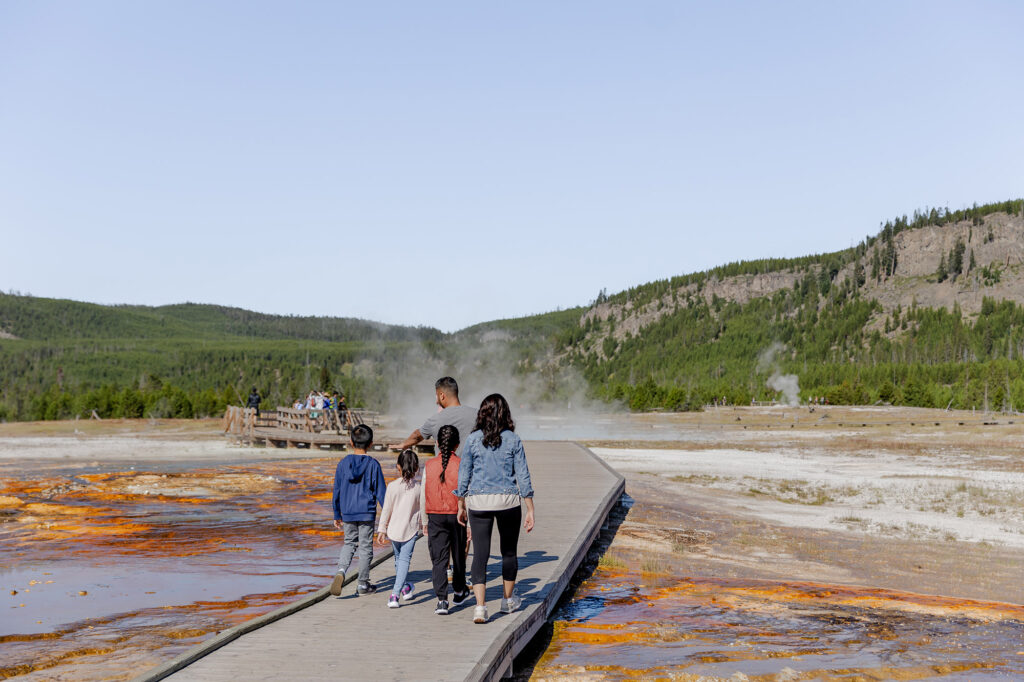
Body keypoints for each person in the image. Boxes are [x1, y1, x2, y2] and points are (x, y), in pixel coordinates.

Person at [455, 393, 535, 624]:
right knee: (508, 552)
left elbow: (464, 475)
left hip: (478, 503)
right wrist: (530, 508)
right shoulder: (513, 439)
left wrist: (461, 503)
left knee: (480, 554)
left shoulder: (472, 440)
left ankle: (480, 608)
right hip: (508, 502)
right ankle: (507, 600)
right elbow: (523, 476)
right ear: (505, 413)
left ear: (482, 413)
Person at [330, 424, 387, 597]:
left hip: (347, 512)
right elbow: (381, 493)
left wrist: (336, 513)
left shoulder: (343, 464)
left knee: (349, 543)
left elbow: (337, 490)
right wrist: (387, 516)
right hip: (366, 512)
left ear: (350, 442)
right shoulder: (373, 465)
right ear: (371, 444)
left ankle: (341, 570)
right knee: (365, 547)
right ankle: (362, 583)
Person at [421, 425, 470, 615]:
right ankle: (458, 591)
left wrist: (424, 520)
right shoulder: (462, 464)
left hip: (434, 514)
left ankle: (442, 600)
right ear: (457, 445)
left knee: (439, 559)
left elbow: (423, 494)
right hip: (457, 514)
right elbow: (467, 493)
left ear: (436, 444)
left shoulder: (429, 465)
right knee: (458, 556)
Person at [376, 449, 422, 608]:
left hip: (393, 530)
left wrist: (382, 529)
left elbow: (386, 509)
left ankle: (395, 594)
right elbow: (422, 509)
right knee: (402, 561)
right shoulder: (419, 488)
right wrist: (425, 525)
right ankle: (403, 588)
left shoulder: (392, 486)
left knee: (399, 560)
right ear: (417, 468)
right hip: (410, 529)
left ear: (398, 466)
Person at [394, 377, 476, 455]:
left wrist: (403, 444)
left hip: (444, 469)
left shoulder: (435, 420)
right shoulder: (476, 414)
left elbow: (417, 436)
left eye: (436, 396)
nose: (436, 401)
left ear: (442, 395)